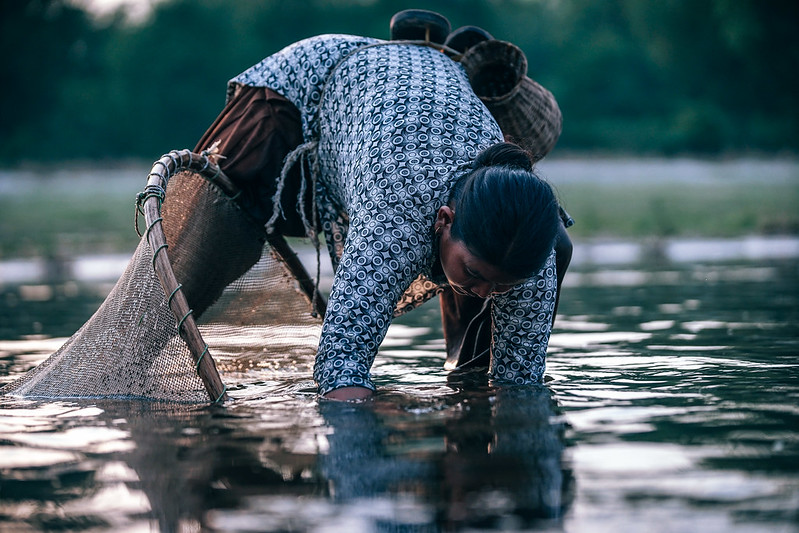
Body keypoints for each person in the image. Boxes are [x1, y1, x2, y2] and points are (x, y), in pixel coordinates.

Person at [188, 33, 572, 401]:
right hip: (312, 86)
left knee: (545, 250)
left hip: (419, 96)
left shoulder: (532, 253)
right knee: (217, 235)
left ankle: (466, 385)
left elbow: (521, 381)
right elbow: (340, 365)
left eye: (502, 286)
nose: (488, 294)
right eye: (475, 273)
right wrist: (365, 422)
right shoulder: (395, 218)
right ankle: (143, 343)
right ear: (443, 220)